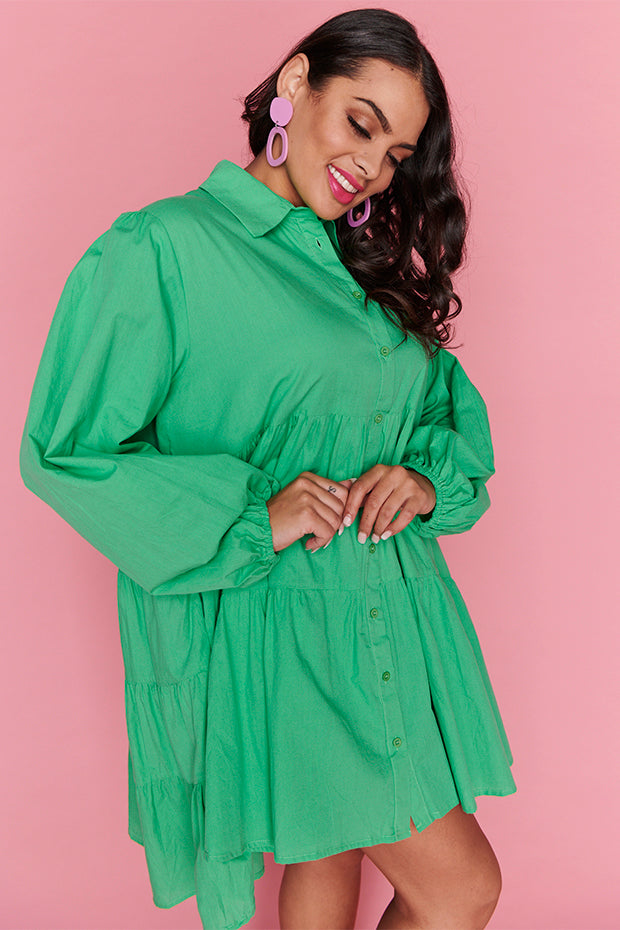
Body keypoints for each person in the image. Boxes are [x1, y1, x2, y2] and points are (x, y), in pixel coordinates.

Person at [19, 7, 517, 930]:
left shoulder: (361, 264)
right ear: (295, 83)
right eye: (361, 123)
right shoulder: (164, 247)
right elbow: (66, 451)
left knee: (326, 873)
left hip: (388, 612)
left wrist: (422, 479)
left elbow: (436, 405)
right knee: (461, 887)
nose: (371, 167)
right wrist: (256, 514)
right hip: (286, 626)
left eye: (396, 155)